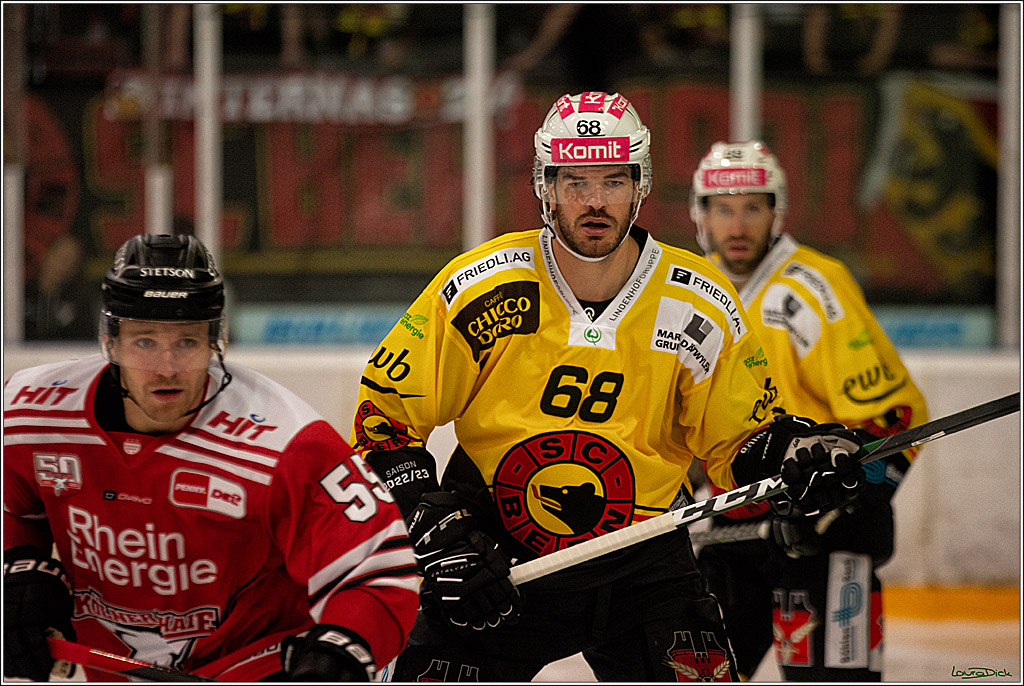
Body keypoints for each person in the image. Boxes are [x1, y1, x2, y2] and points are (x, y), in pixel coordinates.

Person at [350, 92, 870, 682]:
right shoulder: (480, 286)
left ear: (640, 185)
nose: (594, 200)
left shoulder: (699, 301)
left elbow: (739, 444)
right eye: (574, 180)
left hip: (644, 565)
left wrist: (796, 454)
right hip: (493, 559)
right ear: (545, 185)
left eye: (613, 179)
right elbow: (383, 417)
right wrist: (440, 536)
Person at [4, 233, 419, 682]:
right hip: (106, 668)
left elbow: (379, 566)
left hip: (254, 664)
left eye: (186, 342)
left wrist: (338, 653)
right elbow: (14, 511)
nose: (167, 367)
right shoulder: (32, 412)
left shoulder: (283, 440)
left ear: (215, 342)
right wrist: (18, 568)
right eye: (145, 342)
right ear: (112, 341)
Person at [688, 140, 929, 681]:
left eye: (754, 207)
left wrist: (841, 503)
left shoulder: (817, 286)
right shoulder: (691, 294)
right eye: (723, 208)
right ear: (698, 215)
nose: (738, 224)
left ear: (779, 210)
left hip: (826, 539)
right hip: (731, 534)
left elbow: (894, 416)